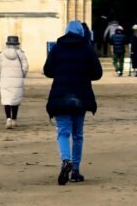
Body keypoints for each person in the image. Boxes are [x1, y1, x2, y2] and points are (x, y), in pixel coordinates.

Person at [43, 19, 103, 185]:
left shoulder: (57, 47)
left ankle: (65, 160)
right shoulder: (87, 48)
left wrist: (61, 71)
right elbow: (97, 73)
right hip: (80, 96)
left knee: (63, 132)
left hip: (61, 95)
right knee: (77, 134)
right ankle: (75, 170)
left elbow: (47, 70)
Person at [0, 35, 29, 128]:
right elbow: (25, 66)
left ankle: (8, 119)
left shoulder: (2, 54)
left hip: (5, 79)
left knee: (6, 100)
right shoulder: (21, 54)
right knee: (15, 99)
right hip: (17, 79)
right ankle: (14, 119)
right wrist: (23, 75)